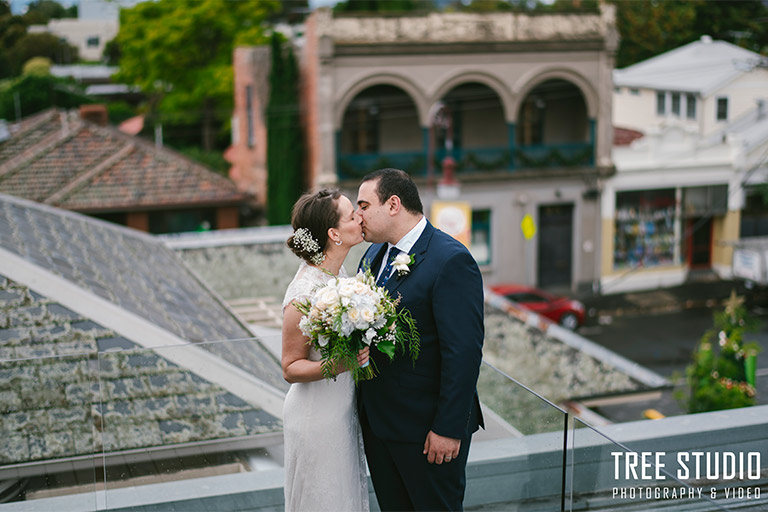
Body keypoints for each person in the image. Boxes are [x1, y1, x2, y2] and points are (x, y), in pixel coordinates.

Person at [356, 168, 485, 511]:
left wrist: (448, 428)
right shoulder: (372, 256)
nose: (358, 215)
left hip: (427, 431)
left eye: (364, 206)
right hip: (380, 426)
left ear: (393, 204)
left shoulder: (450, 260)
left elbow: (463, 352)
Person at [281, 188, 371, 512]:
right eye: (352, 215)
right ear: (334, 234)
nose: (360, 217)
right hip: (315, 418)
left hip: (341, 412)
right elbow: (290, 367)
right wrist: (341, 364)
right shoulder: (303, 293)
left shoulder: (338, 274)